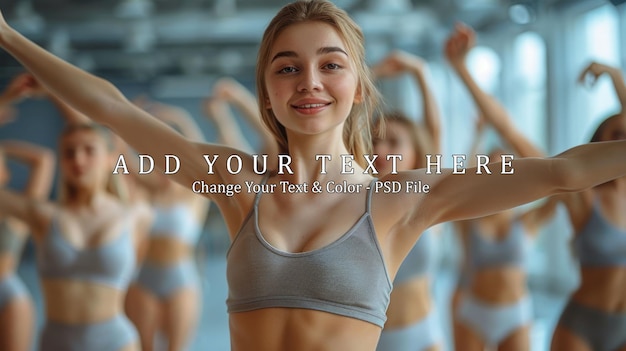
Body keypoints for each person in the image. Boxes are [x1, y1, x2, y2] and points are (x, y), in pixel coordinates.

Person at [2, 1, 626, 350]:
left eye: (331, 65)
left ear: (357, 90)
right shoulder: (233, 180)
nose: (309, 82)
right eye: (287, 68)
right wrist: (8, 35)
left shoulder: (405, 197)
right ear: (267, 94)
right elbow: (111, 107)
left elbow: (563, 170)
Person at [445, 23, 561, 351]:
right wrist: (478, 138)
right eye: (493, 164)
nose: (500, 168)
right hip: (474, 312)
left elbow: (552, 182)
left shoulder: (526, 221)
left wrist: (516, 149)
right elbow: (460, 181)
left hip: (516, 314)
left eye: (506, 164)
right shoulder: (469, 218)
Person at [0, 102, 152, 350]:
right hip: (57, 342)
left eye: (89, 150)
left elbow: (166, 181)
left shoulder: (135, 214)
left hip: (116, 341)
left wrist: (57, 95)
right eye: (69, 153)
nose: (78, 158)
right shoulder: (44, 215)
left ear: (111, 158)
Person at [370, 50, 444, 351]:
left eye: (393, 142)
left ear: (416, 153)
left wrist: (419, 71)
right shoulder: (356, 202)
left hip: (425, 336)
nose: (381, 151)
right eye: (374, 141)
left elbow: (435, 132)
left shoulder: (430, 200)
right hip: (372, 342)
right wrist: (368, 77)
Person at [550, 62, 626, 351]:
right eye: (615, 135)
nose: (623, 142)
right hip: (581, 326)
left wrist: (615, 75)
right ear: (599, 145)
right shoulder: (583, 195)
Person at [125, 97, 210, 351]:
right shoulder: (143, 195)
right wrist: (129, 120)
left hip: (181, 280)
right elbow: (122, 157)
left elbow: (203, 156)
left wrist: (178, 116)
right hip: (143, 278)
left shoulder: (195, 196)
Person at [0, 75, 55, 351]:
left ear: (6, 172)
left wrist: (3, 148)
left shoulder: (19, 209)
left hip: (7, 296)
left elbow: (44, 160)